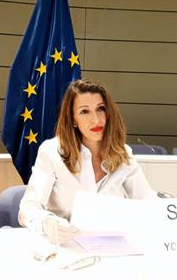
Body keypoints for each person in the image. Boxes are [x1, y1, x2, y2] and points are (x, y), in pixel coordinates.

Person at [18, 79, 155, 243]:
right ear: (73, 119)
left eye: (100, 109)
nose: (96, 120)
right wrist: (47, 222)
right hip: (66, 246)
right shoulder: (51, 152)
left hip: (111, 244)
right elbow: (27, 208)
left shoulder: (123, 153)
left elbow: (147, 201)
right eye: (84, 112)